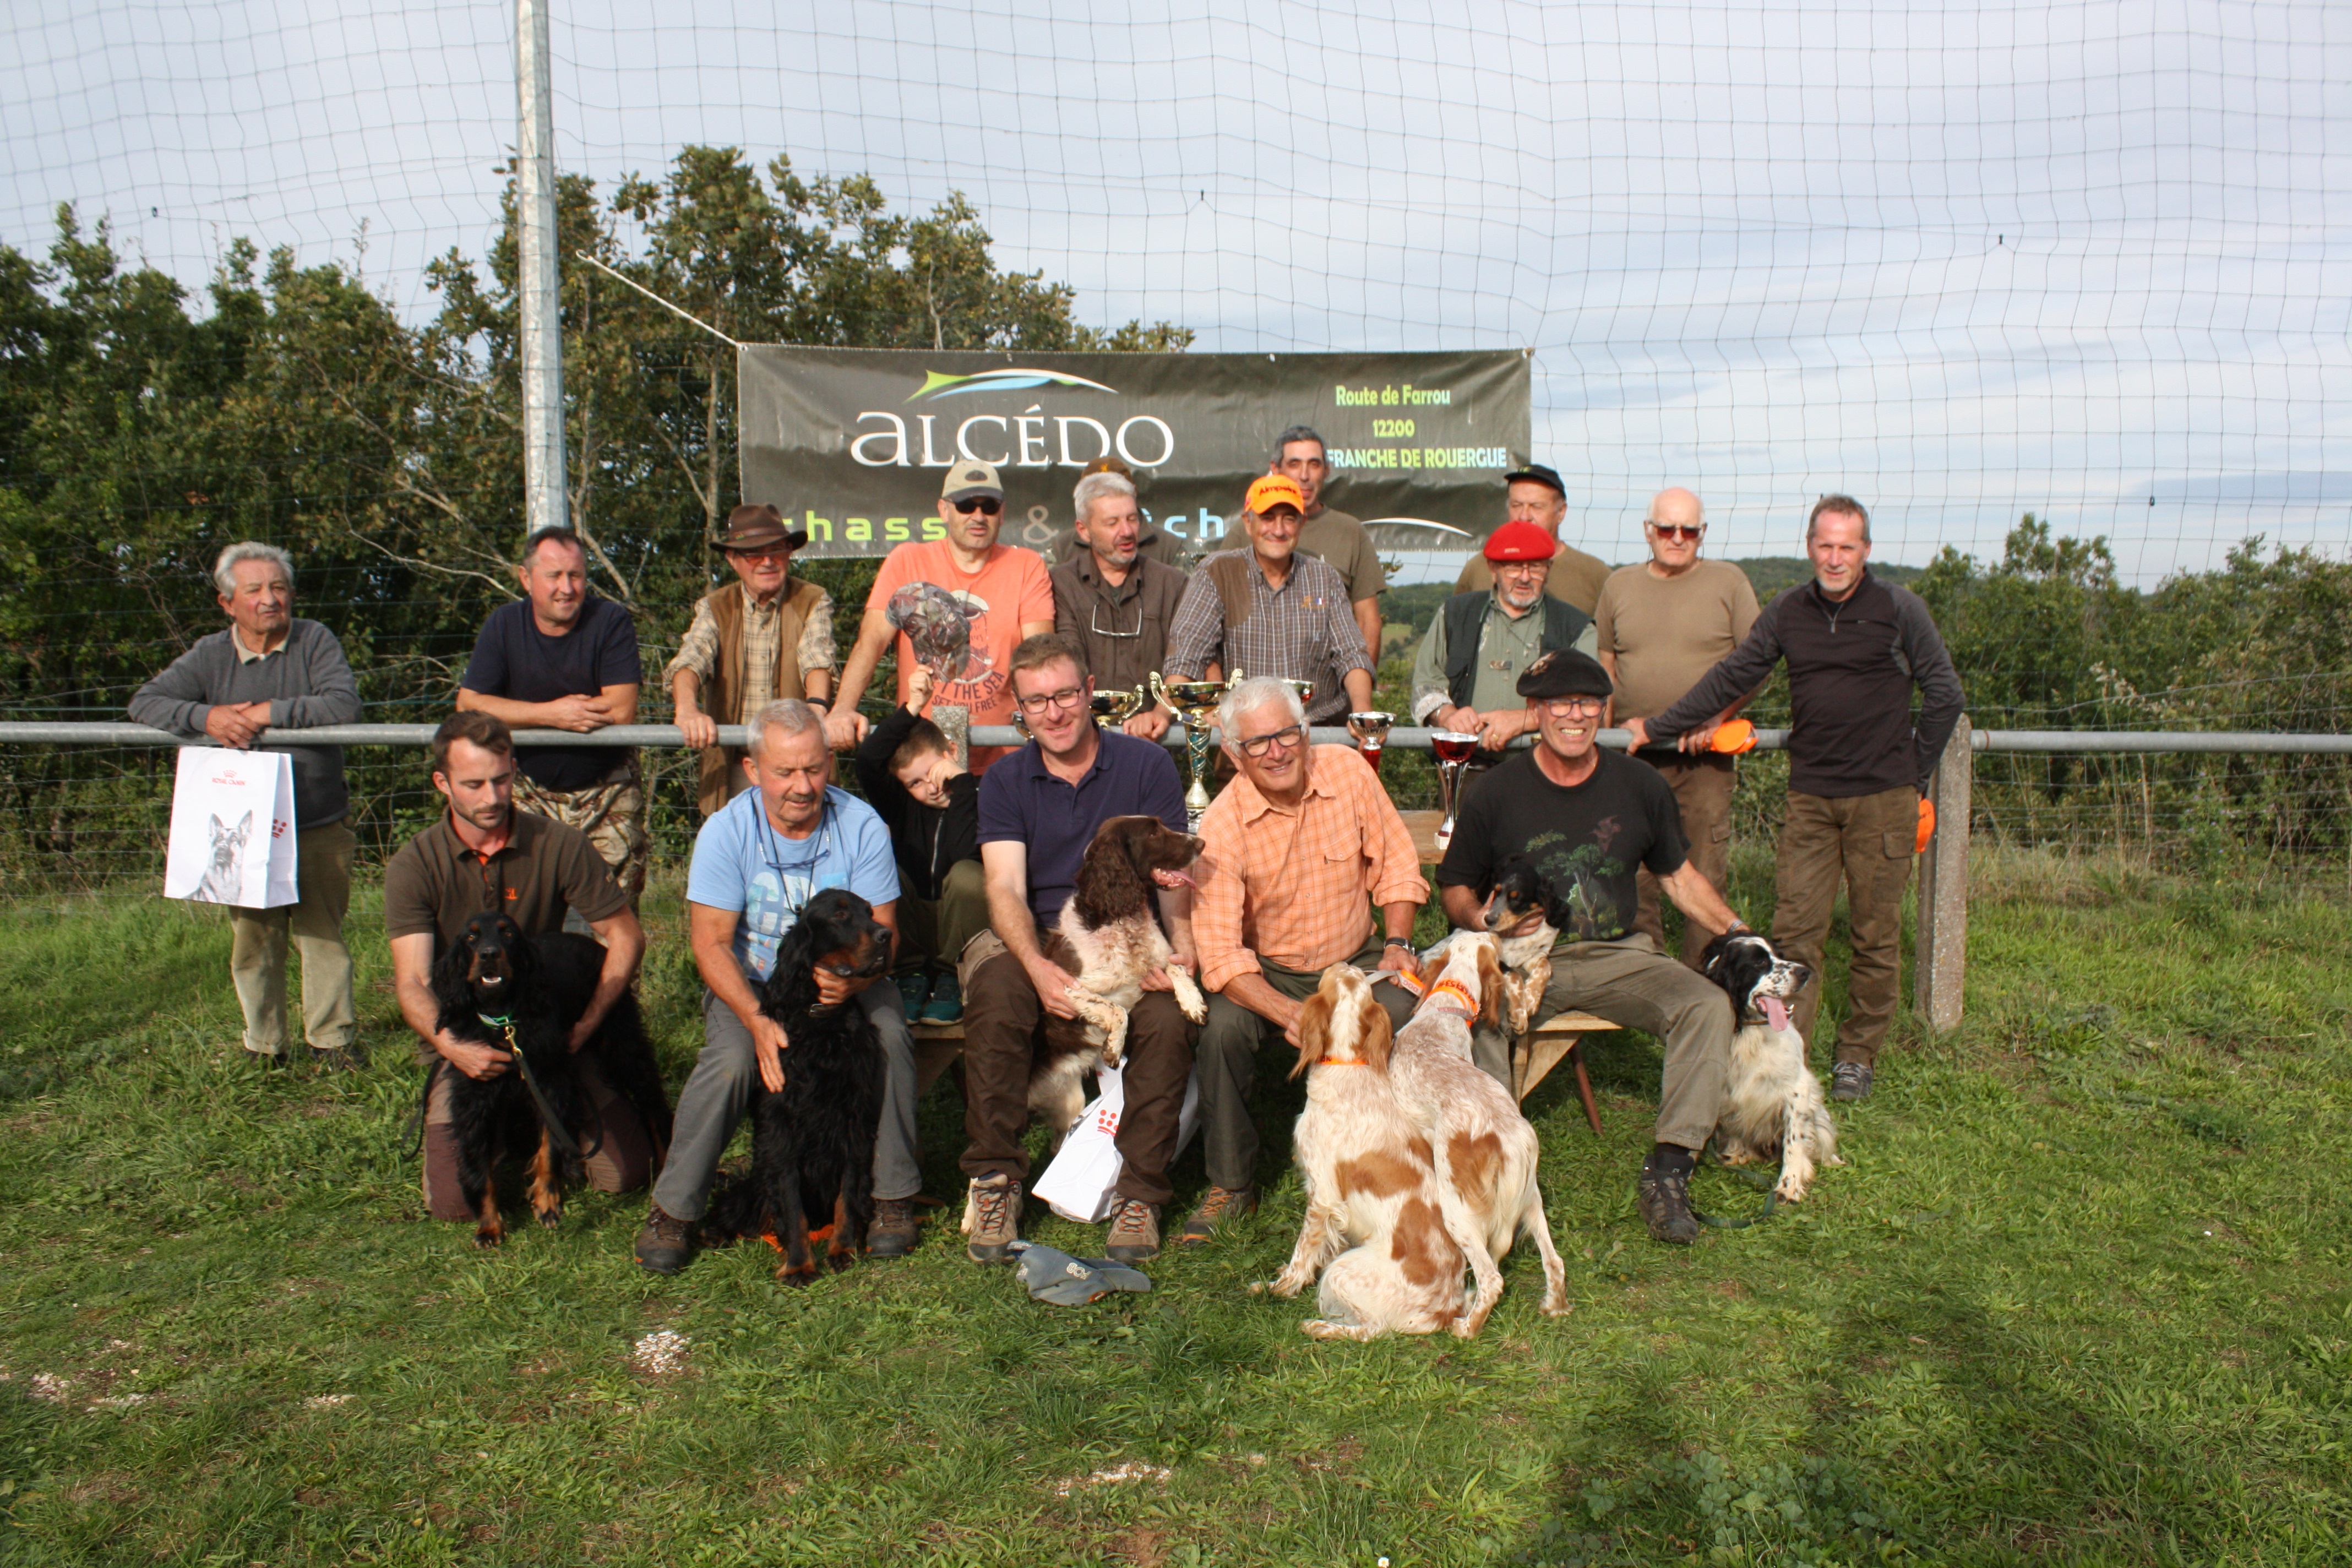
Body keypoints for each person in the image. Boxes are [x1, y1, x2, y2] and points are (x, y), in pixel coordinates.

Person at [1629, 496, 1963, 1102]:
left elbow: (1945, 692)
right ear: (1810, 546)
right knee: (1797, 931)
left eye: (1848, 547)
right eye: (1825, 545)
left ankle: (1858, 1055)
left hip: (1883, 799)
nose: (1835, 559)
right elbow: (1734, 676)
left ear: (1866, 551)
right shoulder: (1789, 610)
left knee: (1875, 933)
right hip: (1810, 795)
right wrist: (1658, 727)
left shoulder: (1898, 608)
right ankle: (1792, 1052)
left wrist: (1913, 776)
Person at [1438, 650, 1752, 1245]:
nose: (1575, 715)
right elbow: (1454, 886)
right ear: (1537, 710)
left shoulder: (1640, 785)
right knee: (1476, 1012)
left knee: (1707, 1004)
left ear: (1603, 709)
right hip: (1517, 958)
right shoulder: (1496, 791)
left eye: (1588, 702)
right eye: (1561, 702)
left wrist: (1736, 929)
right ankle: (1496, 1168)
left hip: (1616, 955)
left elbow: (1679, 877)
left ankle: (1670, 1169)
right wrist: (1483, 917)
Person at [633, 700, 921, 1275]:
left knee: (887, 1032)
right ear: (752, 769)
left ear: (829, 766)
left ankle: (892, 1197)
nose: (802, 785)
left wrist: (855, 981)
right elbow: (711, 943)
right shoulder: (726, 831)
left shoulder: (861, 825)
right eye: (786, 771)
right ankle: (675, 1209)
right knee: (733, 1058)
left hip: (851, 987)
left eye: (814, 769)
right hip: (757, 984)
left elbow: (884, 935)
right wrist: (756, 1015)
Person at [961, 634, 1199, 1266]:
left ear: (1091, 692)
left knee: (1168, 1020)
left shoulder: (1145, 766)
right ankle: (994, 1180)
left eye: (1066, 694)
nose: (1056, 712)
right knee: (996, 991)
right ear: (1021, 709)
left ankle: (1139, 1193)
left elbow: (1174, 875)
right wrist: (1038, 968)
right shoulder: (1008, 777)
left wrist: (1183, 952)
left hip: (1128, 934)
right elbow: (1005, 886)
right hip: (1036, 931)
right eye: (1038, 701)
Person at [384, 712, 655, 1223]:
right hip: (467, 1035)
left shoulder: (558, 843)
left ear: (515, 770)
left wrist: (589, 1022)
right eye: (473, 784)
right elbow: (413, 981)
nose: (491, 797)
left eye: (503, 779)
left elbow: (625, 936)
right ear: (443, 783)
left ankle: (544, 1123)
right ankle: (504, 1132)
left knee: (625, 1174)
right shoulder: (413, 864)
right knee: (453, 1205)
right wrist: (451, 1048)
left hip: (547, 1026)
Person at [1186, 677, 1428, 1242]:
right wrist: (1288, 1013)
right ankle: (1232, 1183)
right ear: (1232, 752)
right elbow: (1220, 954)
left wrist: (1398, 943)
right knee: (1221, 1029)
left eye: (1287, 734)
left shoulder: (1347, 771)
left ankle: (1394, 1162)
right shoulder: (1221, 826)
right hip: (1269, 971)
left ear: (1305, 730)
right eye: (1257, 743)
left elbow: (1396, 865)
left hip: (1357, 957)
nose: (1276, 751)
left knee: (1402, 1006)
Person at [130, 542, 363, 1066]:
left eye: (278, 588)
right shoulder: (210, 653)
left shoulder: (314, 641)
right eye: (255, 589)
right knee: (255, 940)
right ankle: (264, 1045)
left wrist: (265, 713)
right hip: (243, 831)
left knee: (321, 935)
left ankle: (332, 1043)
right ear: (227, 602)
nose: (269, 599)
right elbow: (146, 701)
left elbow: (344, 702)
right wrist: (205, 718)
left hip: (317, 820)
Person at [1592, 488, 1762, 967]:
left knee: (1704, 872)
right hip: (1634, 758)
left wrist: (1718, 716)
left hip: (1705, 758)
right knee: (1634, 873)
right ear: (1649, 530)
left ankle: (1702, 985)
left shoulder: (1729, 582)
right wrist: (1603, 747)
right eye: (1667, 528)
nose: (1678, 538)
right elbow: (1606, 671)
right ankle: (1647, 979)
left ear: (1702, 533)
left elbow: (1757, 663)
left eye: (1690, 530)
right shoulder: (1618, 586)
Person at [823, 460, 1055, 774]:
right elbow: (872, 642)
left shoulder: (1026, 565)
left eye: (989, 506)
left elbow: (1039, 655)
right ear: (943, 510)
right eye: (965, 505)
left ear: (1002, 512)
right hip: (922, 761)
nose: (978, 516)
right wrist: (842, 710)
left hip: (1005, 759)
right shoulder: (907, 561)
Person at [456, 528, 646, 908]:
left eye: (575, 576)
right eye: (554, 576)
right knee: (522, 910)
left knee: (615, 915)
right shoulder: (504, 625)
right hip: (529, 793)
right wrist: (554, 715)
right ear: (526, 579)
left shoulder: (610, 620)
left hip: (608, 791)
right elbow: (470, 704)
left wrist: (513, 714)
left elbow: (620, 709)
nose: (567, 588)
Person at [665, 503, 837, 816]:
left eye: (778, 551)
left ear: (789, 554)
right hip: (733, 765)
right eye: (754, 553)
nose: (768, 562)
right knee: (732, 855)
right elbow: (691, 659)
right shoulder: (715, 606)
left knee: (802, 852)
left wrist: (816, 706)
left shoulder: (812, 599)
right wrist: (687, 710)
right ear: (733, 560)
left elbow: (818, 657)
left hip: (796, 767)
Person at [1163, 475, 1375, 725]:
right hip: (1245, 736)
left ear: (1302, 523)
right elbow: (1189, 651)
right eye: (1268, 518)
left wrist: (1363, 711)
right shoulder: (1216, 572)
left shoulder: (1324, 577)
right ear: (1247, 523)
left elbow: (1351, 654)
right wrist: (1162, 711)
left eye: (1289, 519)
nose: (1278, 530)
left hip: (1316, 731)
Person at [852, 662, 982, 1026]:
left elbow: (961, 855)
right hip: (912, 923)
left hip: (960, 928)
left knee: (969, 875)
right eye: (915, 783)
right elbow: (867, 760)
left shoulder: (980, 799)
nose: (930, 787)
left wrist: (962, 788)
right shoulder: (903, 807)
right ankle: (908, 976)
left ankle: (952, 979)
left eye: (935, 773)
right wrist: (912, 707)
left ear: (952, 753)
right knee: (886, 870)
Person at [1411, 518, 1600, 758]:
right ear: (1493, 569)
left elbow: (1587, 701)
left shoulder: (1576, 627)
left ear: (1549, 569)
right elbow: (1425, 683)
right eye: (1513, 566)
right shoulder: (1454, 615)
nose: (1524, 577)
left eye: (1535, 567)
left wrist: (1528, 719)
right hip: (1466, 765)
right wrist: (1447, 714)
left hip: (1545, 767)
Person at [1049, 467, 1187, 741]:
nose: (1127, 532)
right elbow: (1064, 661)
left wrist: (1161, 713)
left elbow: (1186, 659)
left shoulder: (1171, 583)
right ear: (1084, 530)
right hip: (1081, 739)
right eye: (1112, 523)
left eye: (1133, 519)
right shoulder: (1059, 584)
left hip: (1155, 741)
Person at [1267, 425, 1386, 662]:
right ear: (1276, 469)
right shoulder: (1251, 530)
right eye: (1294, 464)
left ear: (1327, 470)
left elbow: (1368, 620)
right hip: (1258, 688)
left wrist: (1360, 691)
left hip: (1330, 692)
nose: (1304, 475)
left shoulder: (1351, 531)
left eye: (1314, 464)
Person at [1453, 462, 1613, 614]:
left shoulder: (1595, 574)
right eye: (1516, 505)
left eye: (1536, 507)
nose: (1524, 516)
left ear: (1561, 512)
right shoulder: (1479, 568)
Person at [1044, 456, 1189, 569]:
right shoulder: (1061, 549)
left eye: (1119, 489)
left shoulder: (1168, 548)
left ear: (1134, 492)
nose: (1125, 532)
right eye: (1097, 492)